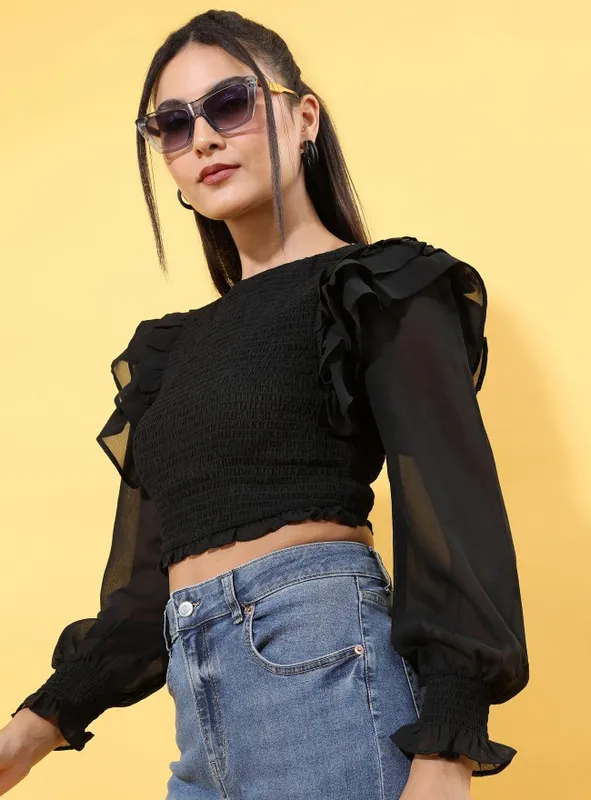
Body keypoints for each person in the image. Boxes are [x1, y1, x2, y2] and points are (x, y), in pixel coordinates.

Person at [0, 9, 529, 800]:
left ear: (303, 116)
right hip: (200, 716)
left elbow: (453, 514)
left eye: (230, 104)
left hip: (327, 682)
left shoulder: (377, 287)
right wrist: (30, 730)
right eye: (173, 125)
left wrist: (447, 748)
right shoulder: (171, 351)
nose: (203, 139)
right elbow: (146, 590)